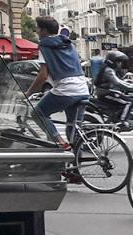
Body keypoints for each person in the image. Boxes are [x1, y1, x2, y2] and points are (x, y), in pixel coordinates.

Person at [27, 16, 88, 148]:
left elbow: (43, 75)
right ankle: (74, 164)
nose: (36, 31)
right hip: (83, 89)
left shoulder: (44, 46)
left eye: (38, 28)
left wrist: (29, 92)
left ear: (44, 30)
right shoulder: (68, 43)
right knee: (73, 130)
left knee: (38, 113)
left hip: (66, 89)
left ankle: (59, 142)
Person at [94, 49, 133, 124]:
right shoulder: (108, 70)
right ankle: (123, 121)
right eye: (118, 62)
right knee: (129, 102)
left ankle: (116, 116)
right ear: (112, 61)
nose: (120, 64)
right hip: (104, 93)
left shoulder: (110, 69)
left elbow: (120, 81)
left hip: (106, 91)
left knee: (126, 98)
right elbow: (117, 83)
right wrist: (132, 88)